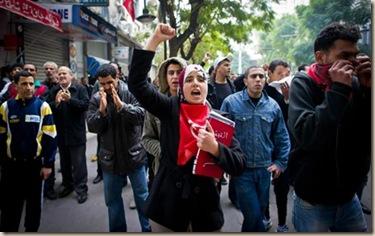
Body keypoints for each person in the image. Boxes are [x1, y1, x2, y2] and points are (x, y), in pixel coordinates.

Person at [128, 23, 245, 232]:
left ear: (207, 86)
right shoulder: (168, 108)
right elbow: (137, 84)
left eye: (201, 79)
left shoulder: (218, 120)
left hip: (205, 212)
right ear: (181, 88)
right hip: (167, 208)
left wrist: (215, 148)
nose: (195, 83)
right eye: (189, 79)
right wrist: (154, 40)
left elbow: (239, 163)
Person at [287, 22, 371, 232]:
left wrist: (368, 91)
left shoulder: (356, 83)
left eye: (355, 56)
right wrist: (337, 92)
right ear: (320, 57)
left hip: (348, 195)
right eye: (344, 56)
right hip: (313, 200)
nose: (352, 63)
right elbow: (306, 134)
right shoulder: (303, 83)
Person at [221, 65, 290, 232]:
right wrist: (224, 163)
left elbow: (282, 137)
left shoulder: (273, 106)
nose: (258, 79)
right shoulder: (231, 103)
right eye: (253, 76)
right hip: (241, 170)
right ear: (245, 81)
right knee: (253, 215)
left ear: (265, 80)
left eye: (261, 76)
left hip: (264, 169)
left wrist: (280, 163)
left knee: (258, 215)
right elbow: (221, 135)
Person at [87, 64, 151, 232]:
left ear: (117, 78)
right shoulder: (95, 98)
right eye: (102, 84)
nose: (107, 87)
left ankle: (148, 230)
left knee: (142, 197)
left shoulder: (131, 93)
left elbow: (141, 116)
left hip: (134, 155)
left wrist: (122, 107)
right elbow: (92, 127)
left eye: (110, 82)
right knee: (112, 200)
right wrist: (101, 112)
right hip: (110, 159)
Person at [0, 70, 57, 232]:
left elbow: (50, 137)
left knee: (34, 207)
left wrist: (48, 164)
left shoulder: (43, 107)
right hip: (11, 167)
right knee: (10, 207)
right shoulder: (6, 107)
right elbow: (1, 137)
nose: (29, 87)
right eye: (24, 84)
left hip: (35, 166)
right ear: (16, 86)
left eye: (31, 84)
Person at [142, 56, 187, 189]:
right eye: (171, 73)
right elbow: (147, 139)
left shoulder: (197, 103)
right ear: (165, 76)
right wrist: (166, 151)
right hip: (164, 171)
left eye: (179, 72)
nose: (175, 76)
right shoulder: (155, 105)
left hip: (191, 173)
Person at [47, 66, 89, 204]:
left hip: (76, 134)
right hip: (61, 134)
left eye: (64, 73)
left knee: (79, 164)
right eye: (59, 74)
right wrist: (57, 102)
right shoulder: (54, 90)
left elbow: (85, 105)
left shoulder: (80, 89)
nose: (61, 76)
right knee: (64, 164)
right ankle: (67, 185)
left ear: (71, 76)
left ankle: (81, 189)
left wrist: (70, 100)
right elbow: (47, 108)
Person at [263, 59, 291, 232]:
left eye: (286, 73)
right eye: (279, 73)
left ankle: (282, 223)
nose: (283, 77)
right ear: (270, 74)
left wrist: (288, 99)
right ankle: (265, 217)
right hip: (265, 147)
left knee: (282, 189)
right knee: (263, 186)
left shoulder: (292, 92)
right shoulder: (262, 91)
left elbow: (291, 120)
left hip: (283, 148)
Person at [41, 61, 59, 200]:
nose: (48, 71)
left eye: (51, 68)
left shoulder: (61, 85)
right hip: (44, 127)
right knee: (48, 156)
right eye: (46, 68)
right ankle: (48, 187)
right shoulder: (40, 86)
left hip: (60, 126)